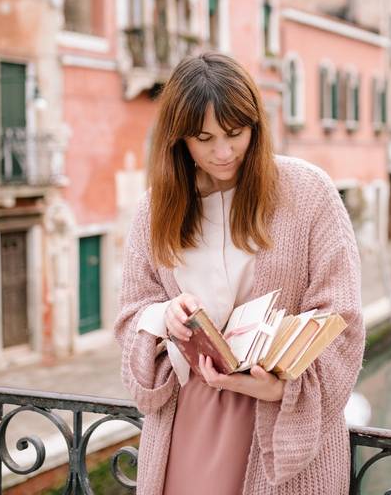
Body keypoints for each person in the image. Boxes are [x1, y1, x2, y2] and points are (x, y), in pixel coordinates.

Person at [115, 52, 365, 494]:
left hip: (282, 422)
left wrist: (283, 389)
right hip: (187, 421)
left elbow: (341, 316)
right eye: (204, 138)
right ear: (179, 140)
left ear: (256, 126)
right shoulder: (153, 209)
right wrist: (165, 316)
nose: (223, 151)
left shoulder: (309, 191)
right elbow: (132, 313)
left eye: (235, 133)